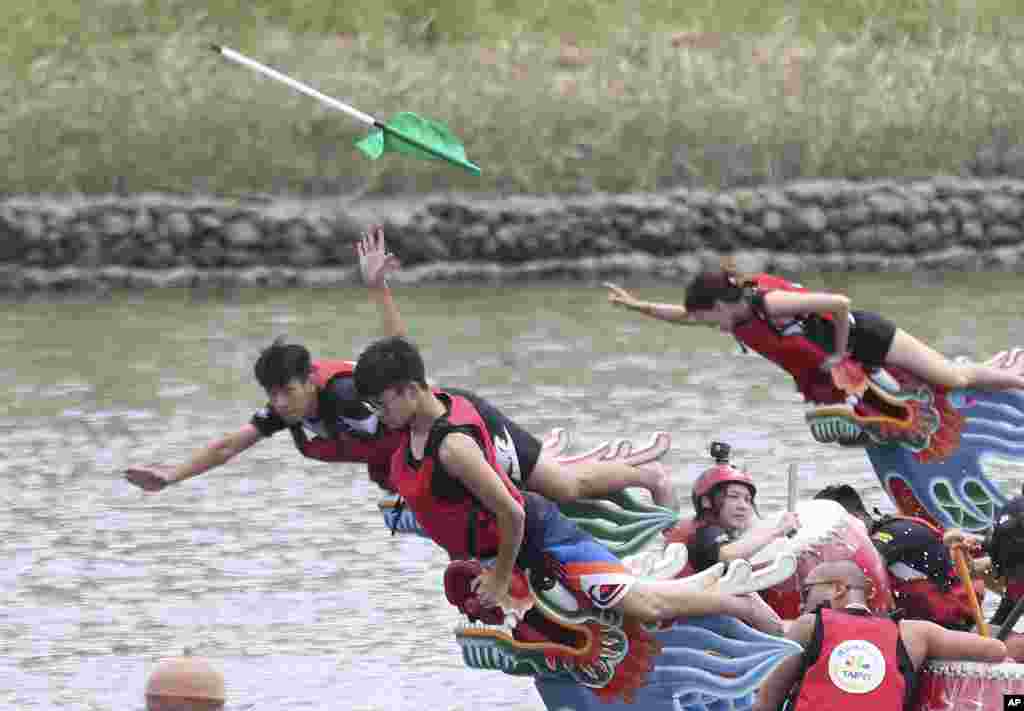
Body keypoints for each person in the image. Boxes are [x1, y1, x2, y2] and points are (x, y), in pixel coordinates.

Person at [124, 226, 675, 508]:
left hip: (460, 423)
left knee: (564, 490)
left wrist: (378, 285)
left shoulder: (346, 392)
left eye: (284, 393)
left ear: (308, 380)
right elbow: (227, 446)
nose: (277, 405)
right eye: (272, 397)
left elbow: (401, 353)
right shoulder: (291, 413)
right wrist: (171, 475)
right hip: (422, 455)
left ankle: (646, 477)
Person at [353, 335, 783, 632]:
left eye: (380, 402)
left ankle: (733, 599)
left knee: (645, 606)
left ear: (411, 389)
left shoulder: (451, 447)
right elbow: (402, 353)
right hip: (503, 551)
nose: (376, 413)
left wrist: (500, 580)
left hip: (546, 541)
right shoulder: (420, 409)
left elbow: (512, 511)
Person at [605, 266, 1024, 404]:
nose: (708, 324)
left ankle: (1013, 379)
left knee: (954, 379)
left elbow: (839, 303)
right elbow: (680, 316)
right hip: (843, 360)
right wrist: (637, 306)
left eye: (709, 316)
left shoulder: (770, 305)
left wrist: (839, 354)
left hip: (868, 338)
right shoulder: (735, 317)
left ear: (722, 304)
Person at [752, 559, 1007, 711]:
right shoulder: (915, 632)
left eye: (807, 593)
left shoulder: (808, 625)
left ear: (839, 589)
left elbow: (765, 703)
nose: (800, 604)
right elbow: (995, 650)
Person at [814, 484, 982, 631]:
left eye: (833, 530)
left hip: (950, 625)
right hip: (917, 623)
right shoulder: (870, 537)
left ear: (856, 518)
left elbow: (863, 567)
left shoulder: (897, 533)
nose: (832, 537)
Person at [684, 441, 800, 574]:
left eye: (748, 500)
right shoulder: (706, 533)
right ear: (706, 501)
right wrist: (777, 531)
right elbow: (727, 555)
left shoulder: (731, 538)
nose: (743, 506)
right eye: (733, 496)